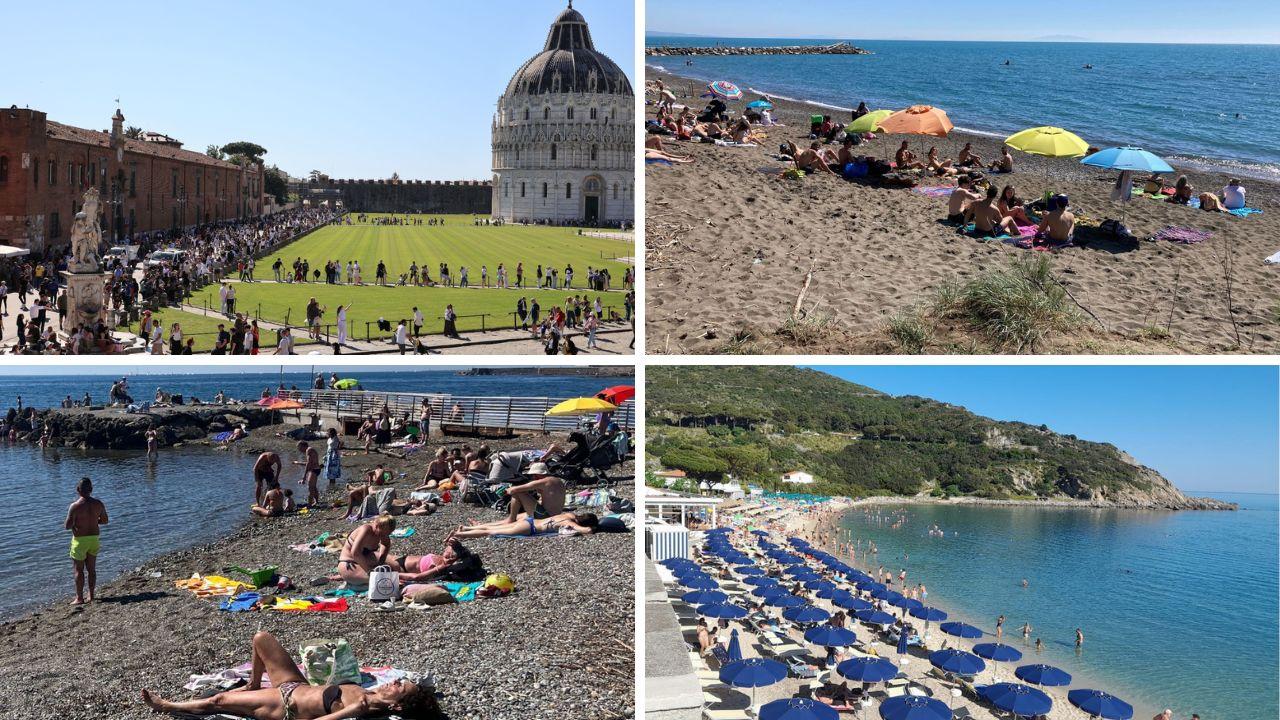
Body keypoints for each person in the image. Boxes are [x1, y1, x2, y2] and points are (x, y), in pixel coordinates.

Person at [140, 630, 434, 719]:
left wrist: (352, 710)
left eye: (400, 686)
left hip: (284, 704)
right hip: (297, 684)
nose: (394, 680)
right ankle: (254, 683)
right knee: (261, 638)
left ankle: (167, 705)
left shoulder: (363, 708)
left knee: (218, 699)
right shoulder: (371, 693)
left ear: (396, 705)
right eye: (399, 679)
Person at [66, 477, 108, 605]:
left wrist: (76, 523)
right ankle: (91, 595)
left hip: (79, 540)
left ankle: (79, 598)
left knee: (78, 570)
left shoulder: (75, 506)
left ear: (78, 490)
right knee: (91, 569)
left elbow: (67, 526)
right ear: (91, 489)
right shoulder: (98, 504)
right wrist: (94, 521)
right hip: (94, 539)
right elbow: (105, 521)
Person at [336, 514, 396, 583]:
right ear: (377, 525)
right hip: (349, 563)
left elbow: (385, 544)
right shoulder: (365, 530)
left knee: (391, 569)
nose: (384, 536)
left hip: (365, 561)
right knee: (382, 579)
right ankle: (346, 575)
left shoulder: (382, 532)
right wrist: (370, 571)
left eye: (387, 534)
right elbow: (355, 553)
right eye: (382, 533)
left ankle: (353, 576)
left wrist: (381, 561)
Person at [450, 511, 599, 538]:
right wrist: (595, 527)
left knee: (493, 527)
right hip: (530, 528)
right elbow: (586, 530)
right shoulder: (570, 522)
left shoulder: (568, 515)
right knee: (491, 532)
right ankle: (460, 534)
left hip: (530, 521)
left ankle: (467, 528)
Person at [501, 463, 566, 521]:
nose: (533, 477)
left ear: (537, 474)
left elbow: (513, 490)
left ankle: (511, 519)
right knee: (521, 515)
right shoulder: (558, 481)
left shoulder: (543, 482)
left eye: (533, 475)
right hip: (556, 515)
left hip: (545, 516)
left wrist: (506, 490)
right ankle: (512, 517)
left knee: (518, 492)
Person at [295, 440, 321, 507]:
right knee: (313, 487)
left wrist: (304, 477)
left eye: (299, 448)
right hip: (316, 469)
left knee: (310, 487)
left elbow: (309, 463)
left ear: (303, 446)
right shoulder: (310, 450)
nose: (299, 450)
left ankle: (309, 504)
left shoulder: (308, 450)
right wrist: (298, 463)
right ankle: (316, 501)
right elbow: (310, 463)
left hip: (314, 470)